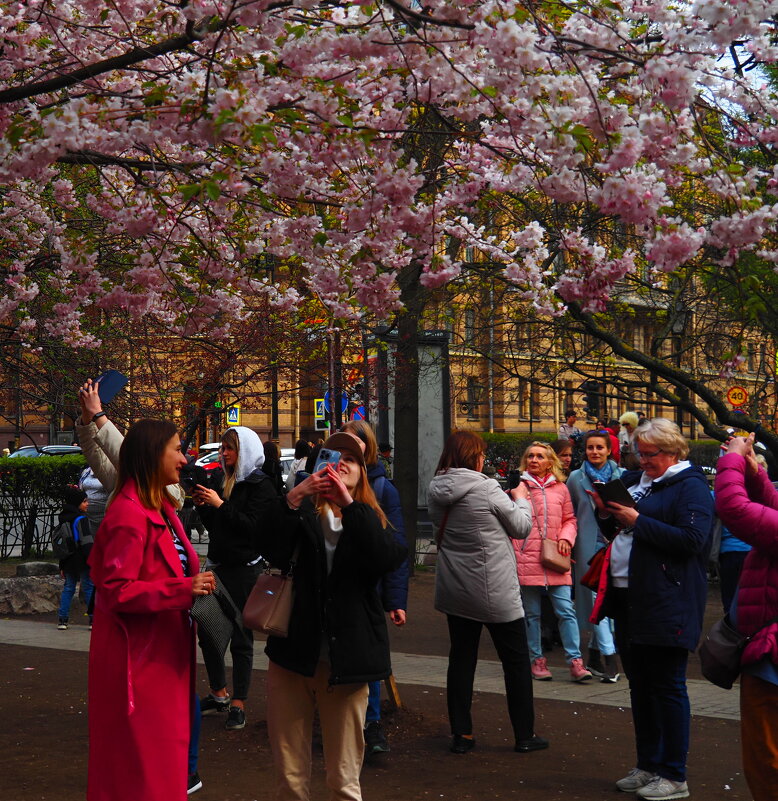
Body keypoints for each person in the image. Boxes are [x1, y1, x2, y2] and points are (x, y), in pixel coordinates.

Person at [256, 431, 405, 801]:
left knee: (342, 779)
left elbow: (387, 557)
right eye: (331, 457)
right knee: (289, 777)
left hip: (347, 660)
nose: (339, 465)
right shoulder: (302, 512)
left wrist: (350, 506)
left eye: (349, 460)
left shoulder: (369, 517)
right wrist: (295, 495)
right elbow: (265, 544)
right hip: (293, 655)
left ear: (361, 473)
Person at [77, 381, 204, 795]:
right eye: (178, 449)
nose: (184, 458)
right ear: (154, 456)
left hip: (163, 659)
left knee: (162, 769)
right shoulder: (129, 514)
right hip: (140, 665)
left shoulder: (162, 507)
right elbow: (116, 591)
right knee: (142, 774)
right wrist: (184, 590)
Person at [589, 418, 713, 801]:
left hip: (667, 599)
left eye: (650, 454)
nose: (642, 461)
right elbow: (618, 534)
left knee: (667, 687)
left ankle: (674, 774)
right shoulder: (635, 482)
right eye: (638, 453)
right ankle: (648, 764)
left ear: (673, 450)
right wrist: (607, 513)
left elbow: (693, 540)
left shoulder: (690, 487)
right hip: (629, 595)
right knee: (640, 686)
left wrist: (638, 521)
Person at [428, 430, 548, 755]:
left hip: (455, 587)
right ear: (474, 457)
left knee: (462, 659)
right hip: (494, 587)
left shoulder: (435, 488)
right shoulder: (486, 488)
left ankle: (461, 735)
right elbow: (521, 527)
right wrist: (521, 497)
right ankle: (524, 734)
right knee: (516, 661)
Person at [193, 426, 277, 731]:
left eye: (230, 449)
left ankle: (238, 701)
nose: (224, 454)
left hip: (245, 571)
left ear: (246, 451)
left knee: (242, 638)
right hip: (217, 568)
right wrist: (205, 509)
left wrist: (220, 505)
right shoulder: (223, 481)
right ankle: (218, 692)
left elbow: (252, 529)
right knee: (207, 630)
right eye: (223, 449)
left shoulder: (262, 486)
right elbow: (219, 527)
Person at [715, 432, 778, 801]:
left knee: (765, 759)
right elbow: (770, 510)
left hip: (771, 659)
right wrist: (754, 472)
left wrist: (734, 459)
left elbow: (734, 509)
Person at [342, 419, 408, 755]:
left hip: (369, 587)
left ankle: (372, 722)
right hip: (336, 589)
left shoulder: (383, 488)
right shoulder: (323, 483)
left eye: (357, 443)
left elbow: (396, 547)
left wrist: (396, 599)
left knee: (368, 656)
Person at [513, 442, 591, 683]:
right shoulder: (518, 487)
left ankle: (576, 662)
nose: (534, 460)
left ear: (550, 462)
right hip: (527, 557)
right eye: (530, 456)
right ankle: (537, 660)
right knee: (532, 613)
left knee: (566, 611)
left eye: (540, 456)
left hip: (556, 557)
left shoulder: (560, 488)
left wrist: (567, 538)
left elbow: (570, 518)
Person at [567, 430, 622, 682]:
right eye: (590, 447)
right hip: (586, 546)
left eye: (600, 447)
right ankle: (611, 658)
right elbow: (569, 513)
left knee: (608, 600)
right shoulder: (576, 478)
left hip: (615, 546)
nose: (595, 452)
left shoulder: (621, 476)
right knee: (592, 600)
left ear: (609, 450)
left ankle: (594, 655)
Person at [56, 487, 95, 630]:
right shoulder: (82, 519)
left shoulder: (63, 518)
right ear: (77, 503)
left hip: (68, 559)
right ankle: (93, 619)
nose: (87, 504)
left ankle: (62, 620)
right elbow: (87, 542)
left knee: (68, 588)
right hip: (83, 558)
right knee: (89, 587)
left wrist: (62, 565)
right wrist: (92, 560)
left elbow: (63, 544)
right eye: (85, 501)